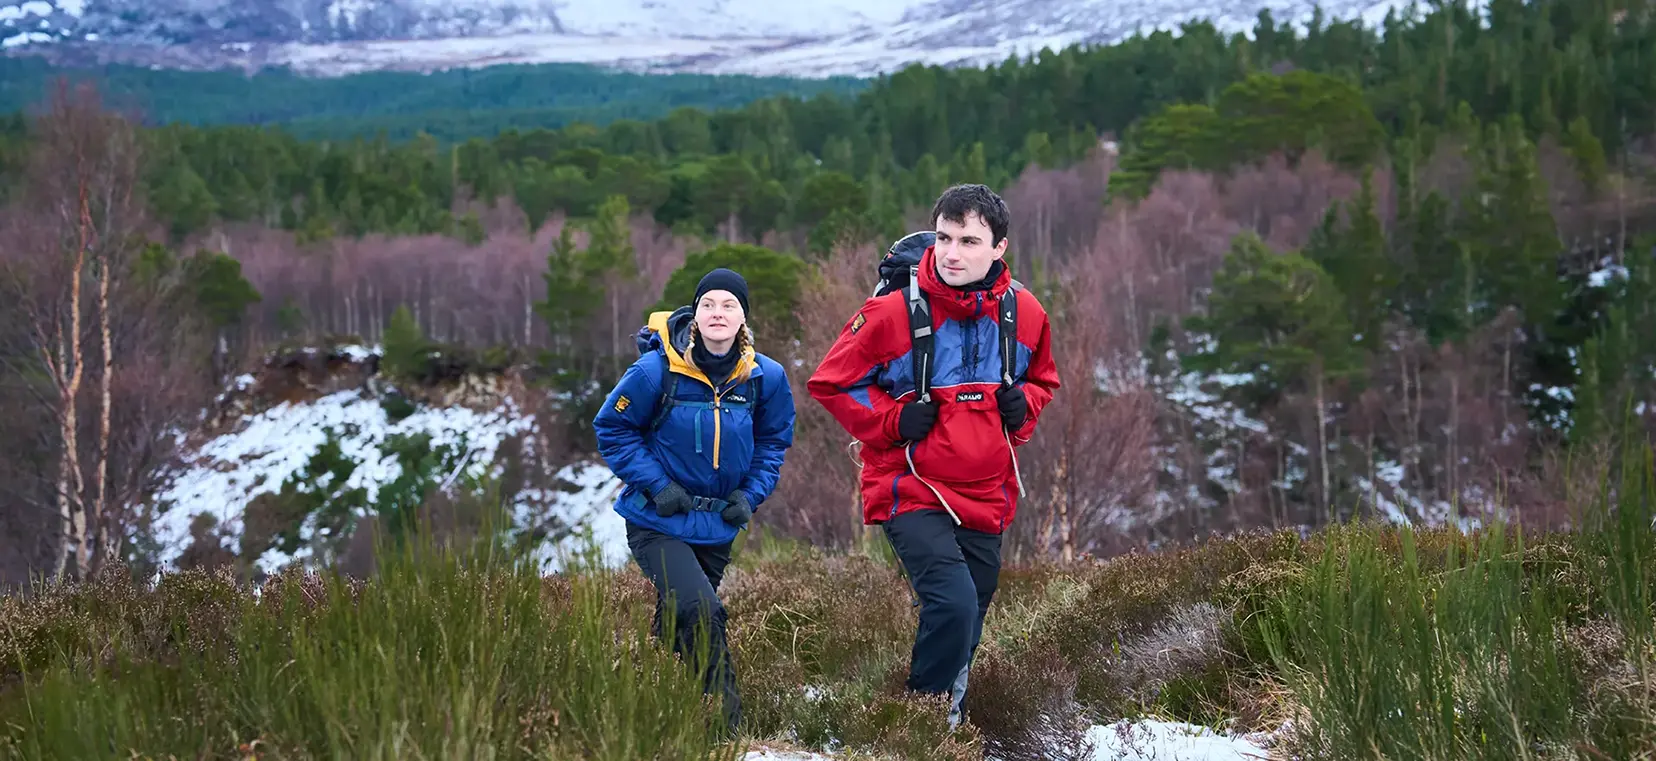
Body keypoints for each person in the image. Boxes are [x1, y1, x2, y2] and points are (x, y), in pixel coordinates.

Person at [806, 184, 1060, 726]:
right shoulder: (891, 313)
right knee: (953, 604)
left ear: (999, 248)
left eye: (970, 240)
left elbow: (1043, 380)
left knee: (973, 611)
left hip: (988, 492)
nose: (951, 252)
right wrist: (892, 420)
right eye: (945, 237)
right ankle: (917, 725)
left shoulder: (1027, 314)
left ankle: (948, 719)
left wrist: (1025, 405)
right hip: (909, 485)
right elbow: (832, 382)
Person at [592, 267, 796, 736]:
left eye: (729, 305)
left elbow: (772, 444)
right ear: (695, 313)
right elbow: (612, 428)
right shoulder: (656, 370)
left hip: (717, 525)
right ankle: (727, 732)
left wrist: (749, 496)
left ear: (743, 317)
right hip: (656, 520)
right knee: (704, 613)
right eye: (709, 304)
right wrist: (659, 487)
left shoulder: (766, 377)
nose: (717, 313)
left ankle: (655, 712)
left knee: (677, 627)